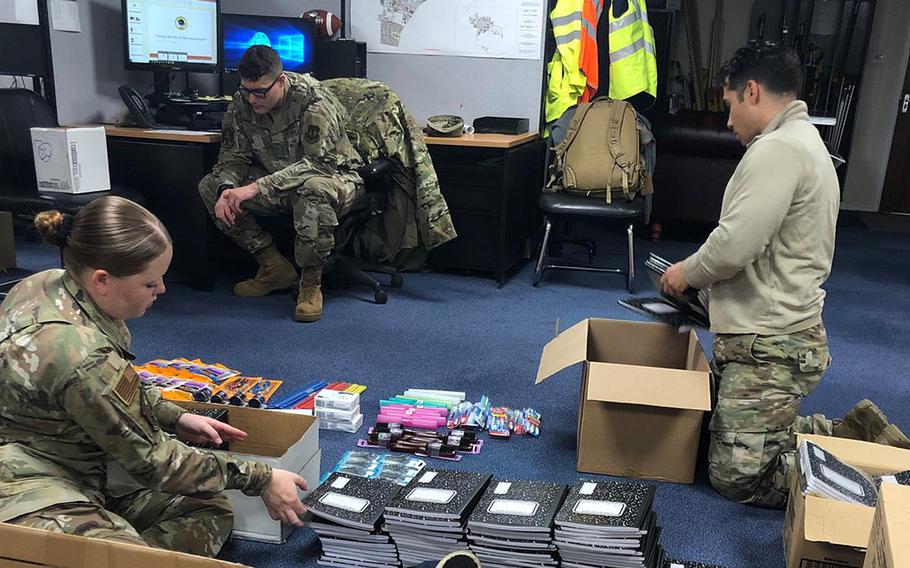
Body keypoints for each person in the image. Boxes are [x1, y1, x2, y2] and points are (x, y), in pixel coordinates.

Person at [659, 43, 909, 509]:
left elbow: (735, 244)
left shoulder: (777, 150)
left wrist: (685, 274)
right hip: (773, 336)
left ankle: (877, 472)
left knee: (739, 479)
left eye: (730, 105)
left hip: (773, 346)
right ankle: (847, 436)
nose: (728, 121)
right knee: (707, 436)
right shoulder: (803, 140)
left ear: (751, 91)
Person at [0, 197, 308, 556]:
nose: (161, 290)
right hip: (28, 485)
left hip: (76, 459)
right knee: (130, 554)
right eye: (150, 283)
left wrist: (174, 416)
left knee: (207, 508)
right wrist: (262, 477)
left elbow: (120, 384)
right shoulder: (82, 354)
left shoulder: (47, 283)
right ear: (102, 280)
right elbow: (155, 463)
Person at [198, 44, 364, 323]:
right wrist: (228, 188)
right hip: (278, 181)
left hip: (337, 179)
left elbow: (317, 164)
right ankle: (273, 266)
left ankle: (311, 284)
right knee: (210, 186)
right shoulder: (242, 101)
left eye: (260, 91)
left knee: (313, 189)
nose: (252, 99)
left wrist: (254, 188)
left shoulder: (313, 100)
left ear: (281, 80)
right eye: (247, 90)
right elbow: (233, 157)